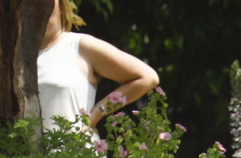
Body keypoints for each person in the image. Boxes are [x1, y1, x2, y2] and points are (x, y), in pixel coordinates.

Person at [37, 0, 159, 138]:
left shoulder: (80, 46)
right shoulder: (14, 59)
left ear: (62, 4)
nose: (40, 5)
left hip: (77, 155)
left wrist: (98, 112)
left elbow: (147, 77)